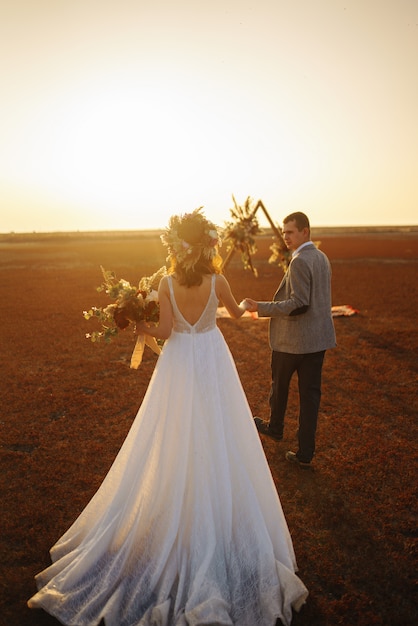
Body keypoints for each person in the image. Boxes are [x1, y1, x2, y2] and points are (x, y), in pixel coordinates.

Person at [28, 208, 307, 626]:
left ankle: (176, 504)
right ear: (210, 244)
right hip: (212, 362)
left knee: (172, 435)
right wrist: (247, 303)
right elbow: (234, 315)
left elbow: (164, 331)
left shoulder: (165, 283)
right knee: (220, 436)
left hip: (178, 364)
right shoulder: (220, 281)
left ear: (176, 248)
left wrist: (139, 327)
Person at [245, 211, 336, 469]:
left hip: (292, 341)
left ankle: (275, 428)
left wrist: (260, 307)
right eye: (284, 232)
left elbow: (299, 304)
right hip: (318, 340)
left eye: (290, 232)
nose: (285, 237)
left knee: (280, 387)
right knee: (310, 397)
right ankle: (305, 453)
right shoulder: (322, 257)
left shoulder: (299, 261)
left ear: (305, 231)